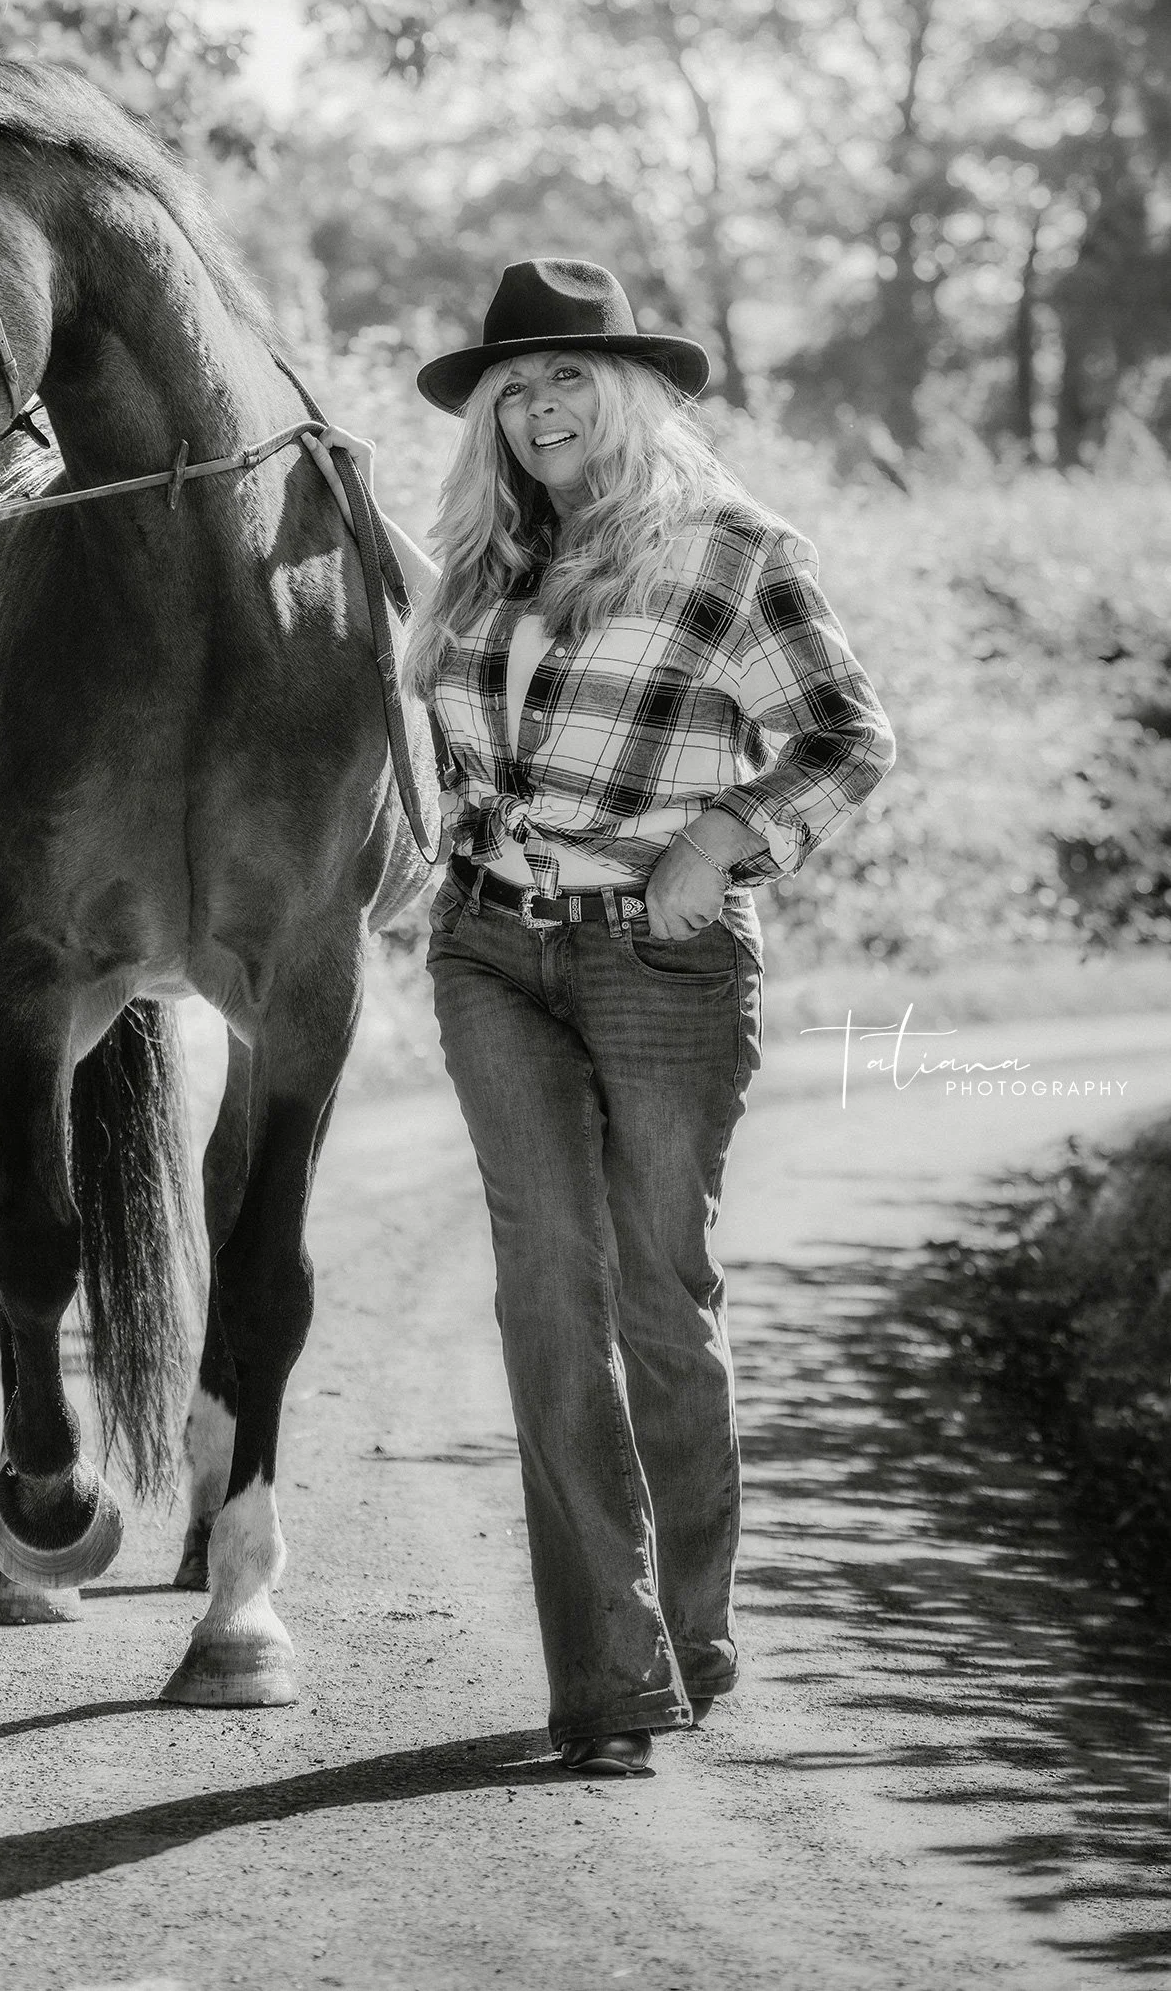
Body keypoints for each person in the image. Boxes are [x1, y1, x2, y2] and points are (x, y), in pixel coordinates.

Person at [304, 258, 894, 1779]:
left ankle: (692, 1630)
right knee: (547, 1302)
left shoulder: (731, 551)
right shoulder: (486, 564)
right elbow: (447, 711)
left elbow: (846, 734)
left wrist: (724, 843)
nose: (544, 406)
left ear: (628, 394)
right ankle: (615, 1678)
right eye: (516, 388)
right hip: (493, 953)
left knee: (660, 1310)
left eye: (571, 379)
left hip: (666, 963)